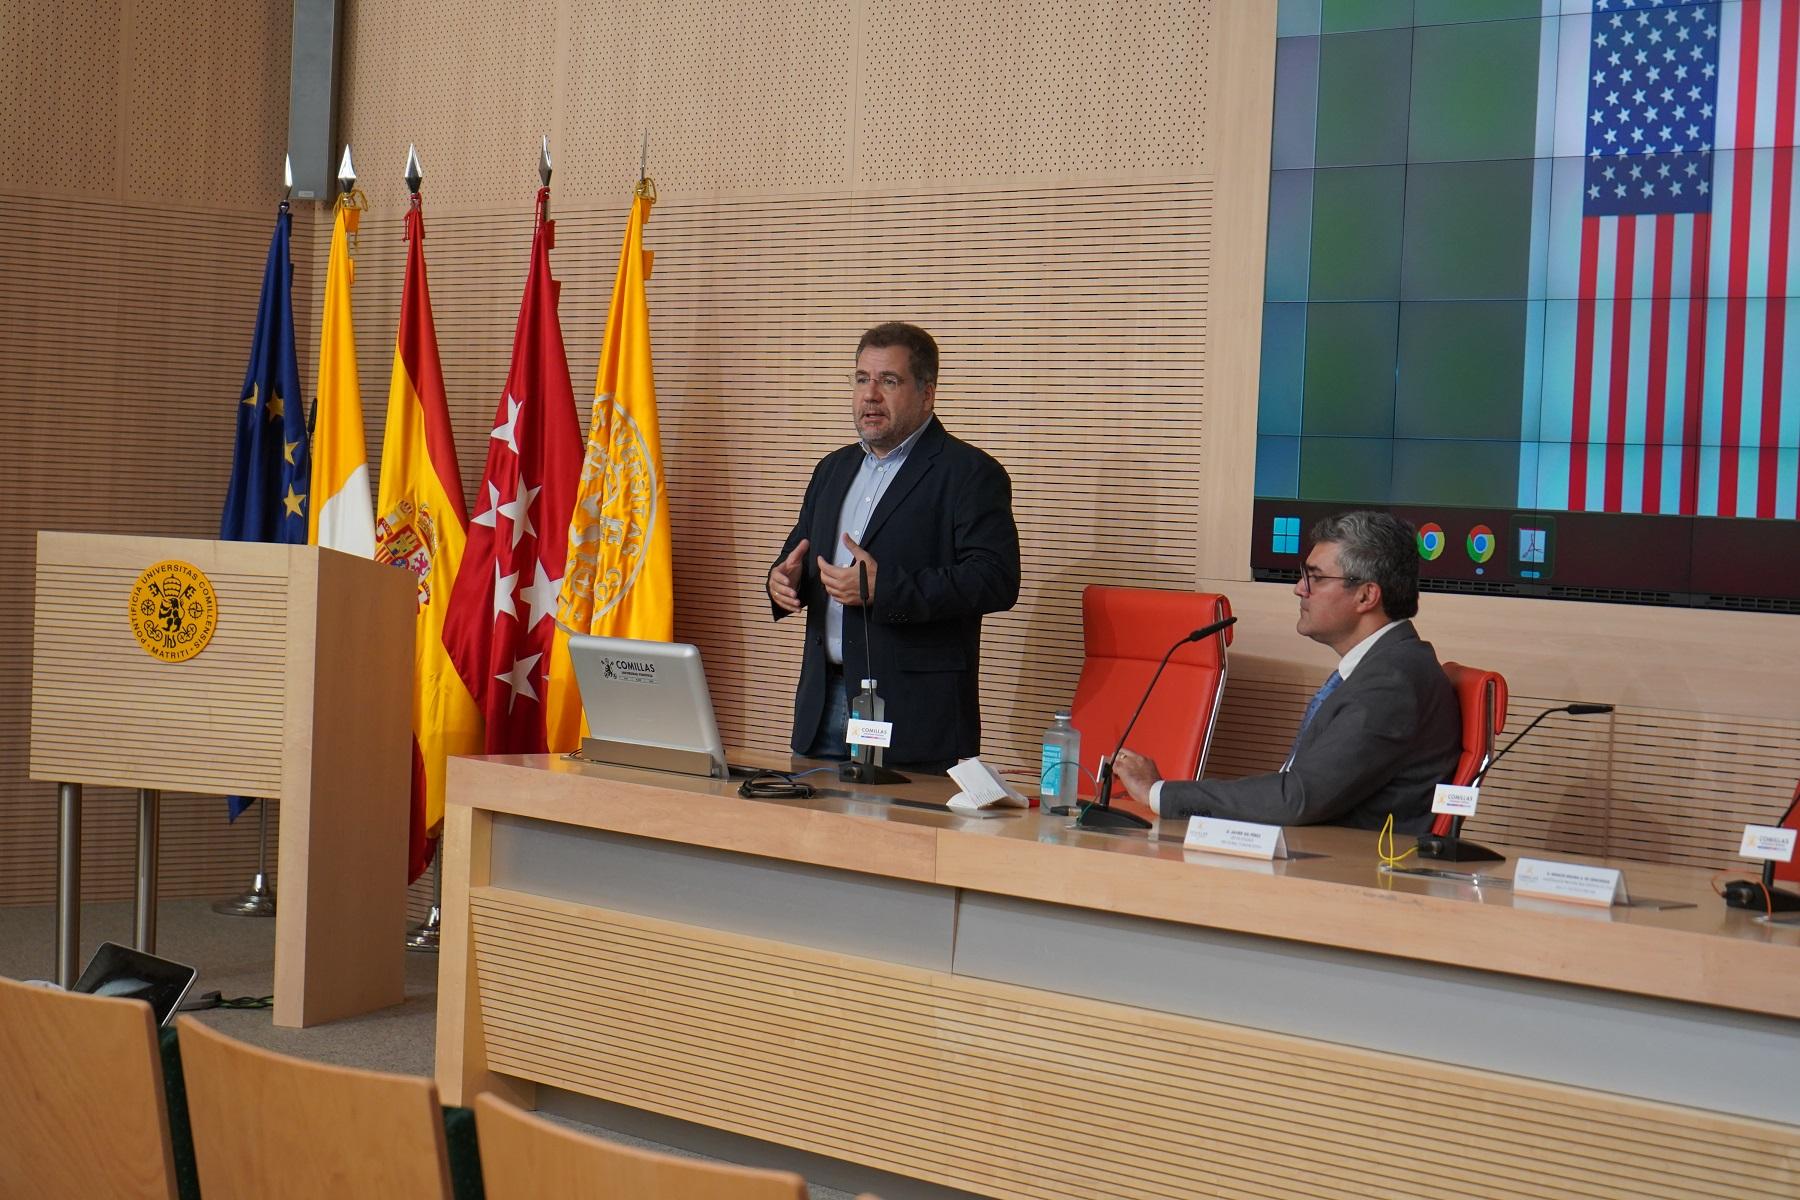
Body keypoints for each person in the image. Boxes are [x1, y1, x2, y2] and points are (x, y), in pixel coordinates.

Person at [767, 322, 1020, 772]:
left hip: (914, 713)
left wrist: (886, 590)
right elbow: (801, 556)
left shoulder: (969, 473)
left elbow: (996, 580)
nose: (870, 395)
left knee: (897, 842)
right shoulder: (832, 469)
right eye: (862, 379)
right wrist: (781, 583)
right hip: (823, 701)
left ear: (928, 393)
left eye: (889, 381)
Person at [1113, 510, 1459, 832]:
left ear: (1366, 596)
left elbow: (1298, 798)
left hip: (1343, 873)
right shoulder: (1387, 664)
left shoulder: (1392, 682)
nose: (1299, 588)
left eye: (1316, 578)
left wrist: (1159, 793)